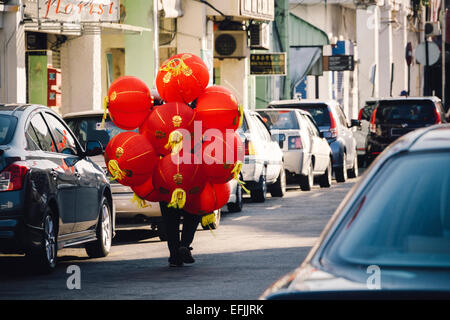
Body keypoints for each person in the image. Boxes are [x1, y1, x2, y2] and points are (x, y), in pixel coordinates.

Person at [159, 202, 201, 267]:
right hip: (190, 194)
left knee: (170, 224)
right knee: (193, 216)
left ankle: (175, 257)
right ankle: (185, 244)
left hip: (167, 195)